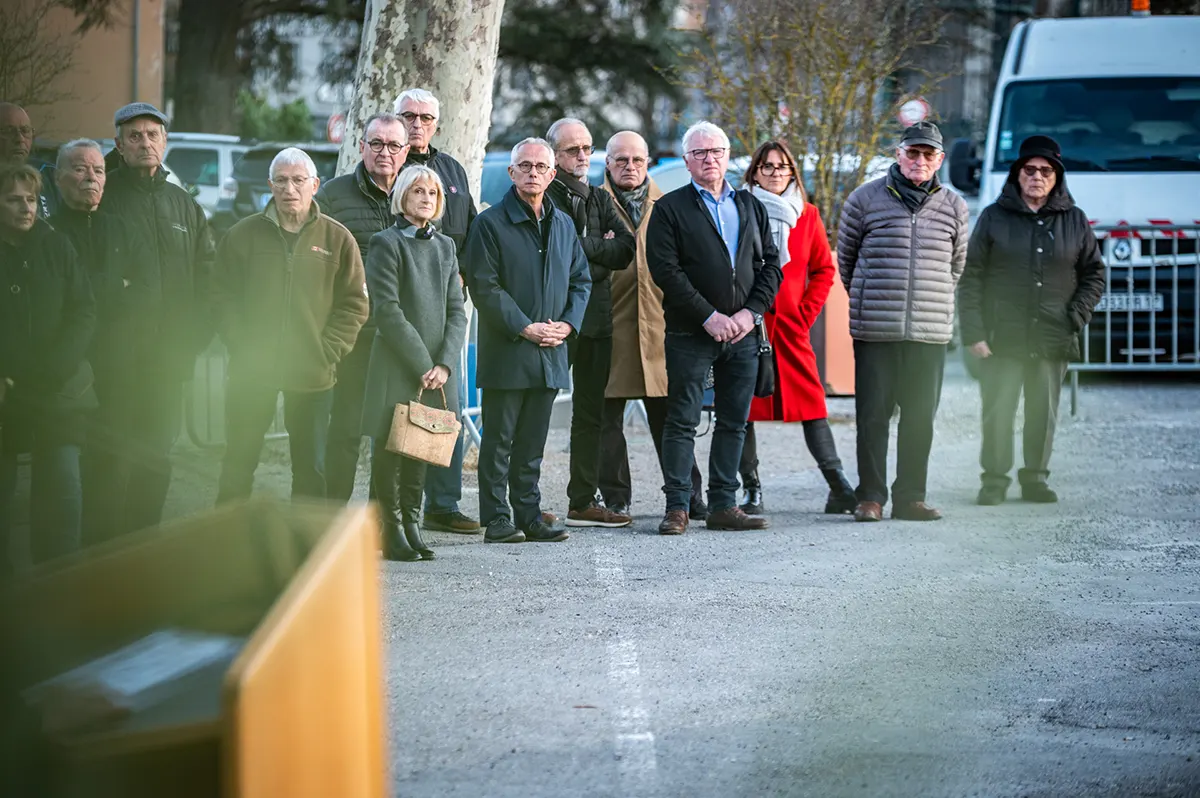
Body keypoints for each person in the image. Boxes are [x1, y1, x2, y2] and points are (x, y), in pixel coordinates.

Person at [646, 121, 783, 535]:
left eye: (717, 152)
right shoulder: (669, 209)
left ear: (728, 157)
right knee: (681, 420)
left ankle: (724, 504)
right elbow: (665, 271)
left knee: (733, 421)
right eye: (700, 153)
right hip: (691, 332)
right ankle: (678, 506)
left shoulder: (750, 206)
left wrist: (749, 315)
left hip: (742, 333)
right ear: (686, 161)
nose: (710, 159)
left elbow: (772, 266)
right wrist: (709, 316)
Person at [213, 148, 368, 504]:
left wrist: (326, 350)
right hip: (252, 372)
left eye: (299, 180)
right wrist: (241, 344)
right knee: (238, 462)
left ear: (315, 185)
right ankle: (225, 543)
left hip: (313, 374)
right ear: (270, 185)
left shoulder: (337, 239)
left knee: (310, 468)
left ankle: (306, 547)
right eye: (281, 181)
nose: (289, 189)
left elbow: (355, 304)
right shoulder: (242, 235)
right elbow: (220, 295)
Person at [958, 135, 1105, 505]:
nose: (1037, 176)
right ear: (1017, 174)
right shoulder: (993, 217)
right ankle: (994, 479)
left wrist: (1075, 317)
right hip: (1000, 337)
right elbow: (971, 276)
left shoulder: (1074, 220)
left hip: (1052, 335)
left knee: (1043, 413)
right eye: (1030, 169)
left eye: (1046, 170)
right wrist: (974, 331)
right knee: (998, 412)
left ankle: (1035, 478)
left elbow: (1094, 274)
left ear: (1057, 177)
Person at [837, 121, 969, 523]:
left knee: (919, 420)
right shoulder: (864, 199)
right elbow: (847, 261)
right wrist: (872, 298)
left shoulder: (954, 205)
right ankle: (870, 497)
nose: (920, 160)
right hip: (876, 329)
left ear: (940, 160)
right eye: (913, 152)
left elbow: (957, 266)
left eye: (929, 154)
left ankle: (911, 497)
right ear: (899, 153)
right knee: (873, 417)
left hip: (928, 333)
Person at [461, 137, 590, 544]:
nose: (533, 173)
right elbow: (485, 287)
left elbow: (580, 281)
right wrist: (524, 327)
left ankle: (530, 515)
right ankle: (497, 518)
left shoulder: (564, 224)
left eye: (541, 167)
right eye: (525, 166)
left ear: (553, 175)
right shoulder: (490, 224)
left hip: (552, 350)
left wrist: (568, 326)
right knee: (498, 440)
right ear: (511, 172)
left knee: (533, 441)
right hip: (509, 350)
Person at [99, 102, 214, 531]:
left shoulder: (183, 204)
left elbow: (207, 276)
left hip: (170, 359)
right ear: (119, 145)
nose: (144, 142)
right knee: (112, 456)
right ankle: (106, 547)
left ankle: (143, 541)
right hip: (117, 360)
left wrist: (196, 337)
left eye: (152, 135)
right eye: (134, 136)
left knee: (158, 455)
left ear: (164, 142)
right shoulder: (104, 197)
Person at [738, 140, 856, 516]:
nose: (774, 173)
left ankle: (838, 485)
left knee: (812, 404)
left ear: (793, 173)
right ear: (755, 171)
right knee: (742, 409)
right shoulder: (738, 210)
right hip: (749, 325)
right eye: (767, 166)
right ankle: (752, 490)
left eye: (782, 166)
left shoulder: (807, 215)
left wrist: (804, 315)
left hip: (791, 327)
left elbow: (823, 270)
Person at [598, 130, 706, 519]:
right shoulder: (593, 206)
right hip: (610, 328)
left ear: (648, 163)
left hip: (661, 330)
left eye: (637, 160)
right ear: (607, 163)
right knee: (606, 421)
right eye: (621, 160)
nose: (630, 167)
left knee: (671, 419)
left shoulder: (670, 205)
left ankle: (688, 496)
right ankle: (615, 498)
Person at [49, 140, 153, 545]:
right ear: (58, 179)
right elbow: (54, 300)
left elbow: (147, 290)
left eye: (98, 170)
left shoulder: (122, 230)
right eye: (79, 169)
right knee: (63, 479)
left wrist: (92, 293)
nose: (90, 177)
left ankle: (103, 565)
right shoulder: (47, 233)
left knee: (112, 472)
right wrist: (114, 286)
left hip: (117, 371)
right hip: (64, 373)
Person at [361, 166, 467, 561]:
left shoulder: (445, 247)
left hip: (435, 372)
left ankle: (412, 524)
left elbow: (458, 312)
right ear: (402, 196)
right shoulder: (385, 243)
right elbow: (387, 310)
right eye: (418, 190)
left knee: (422, 447)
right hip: (398, 364)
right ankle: (390, 529)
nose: (426, 197)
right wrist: (423, 362)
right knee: (391, 449)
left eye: (433, 192)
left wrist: (443, 364)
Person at [393, 88, 481, 535]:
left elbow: (466, 232)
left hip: (448, 310)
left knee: (449, 409)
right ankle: (397, 510)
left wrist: (462, 278)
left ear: (436, 124)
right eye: (408, 115)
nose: (417, 123)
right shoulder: (390, 165)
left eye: (426, 117)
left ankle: (443, 505)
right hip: (401, 314)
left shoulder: (452, 172)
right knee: (399, 416)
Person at [0, 164, 95, 576]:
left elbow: (84, 310)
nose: (25, 208)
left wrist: (57, 368)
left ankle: (57, 589)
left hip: (58, 394)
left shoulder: (56, 246)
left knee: (60, 498)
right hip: (5, 397)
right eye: (13, 200)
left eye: (30, 200)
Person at [544, 118, 636, 528]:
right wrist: (597, 254)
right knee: (534, 410)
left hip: (596, 320)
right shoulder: (544, 197)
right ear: (554, 156)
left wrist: (585, 257)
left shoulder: (599, 198)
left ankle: (582, 499)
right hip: (551, 318)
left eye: (587, 148)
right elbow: (552, 254)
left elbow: (626, 250)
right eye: (572, 150)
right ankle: (519, 501)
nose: (582, 156)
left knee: (591, 414)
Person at [316, 112, 409, 506]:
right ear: (361, 147)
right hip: (353, 334)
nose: (384, 152)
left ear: (406, 151)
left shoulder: (415, 193)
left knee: (394, 433)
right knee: (346, 429)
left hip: (401, 338)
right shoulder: (333, 196)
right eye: (376, 143)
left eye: (393, 145)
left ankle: (385, 522)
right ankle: (332, 520)